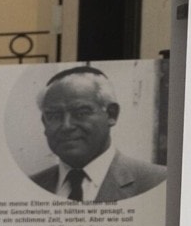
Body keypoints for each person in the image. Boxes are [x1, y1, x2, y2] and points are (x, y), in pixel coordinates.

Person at [26, 65, 166, 202]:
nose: (66, 126)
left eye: (81, 113)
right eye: (54, 116)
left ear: (111, 115)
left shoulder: (159, 181)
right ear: (44, 123)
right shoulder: (29, 186)